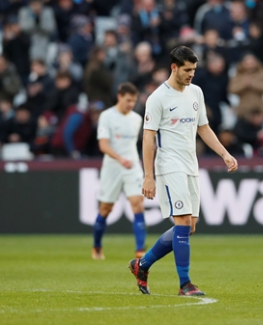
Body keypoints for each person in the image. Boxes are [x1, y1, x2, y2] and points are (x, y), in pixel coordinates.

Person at [128, 46, 238, 296]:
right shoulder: (158, 98)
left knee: (188, 227)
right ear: (174, 67)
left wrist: (224, 153)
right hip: (169, 165)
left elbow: (204, 128)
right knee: (181, 221)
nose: (191, 75)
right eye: (187, 70)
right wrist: (148, 175)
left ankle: (141, 265)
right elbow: (148, 138)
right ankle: (185, 283)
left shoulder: (196, 92)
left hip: (191, 164)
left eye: (194, 70)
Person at [92, 82, 146, 260]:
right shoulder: (107, 116)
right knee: (106, 208)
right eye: (128, 100)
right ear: (120, 97)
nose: (131, 104)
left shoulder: (137, 119)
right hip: (113, 167)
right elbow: (103, 145)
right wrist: (120, 158)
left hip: (131, 166)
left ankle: (140, 250)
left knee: (138, 204)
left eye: (134, 101)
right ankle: (97, 247)